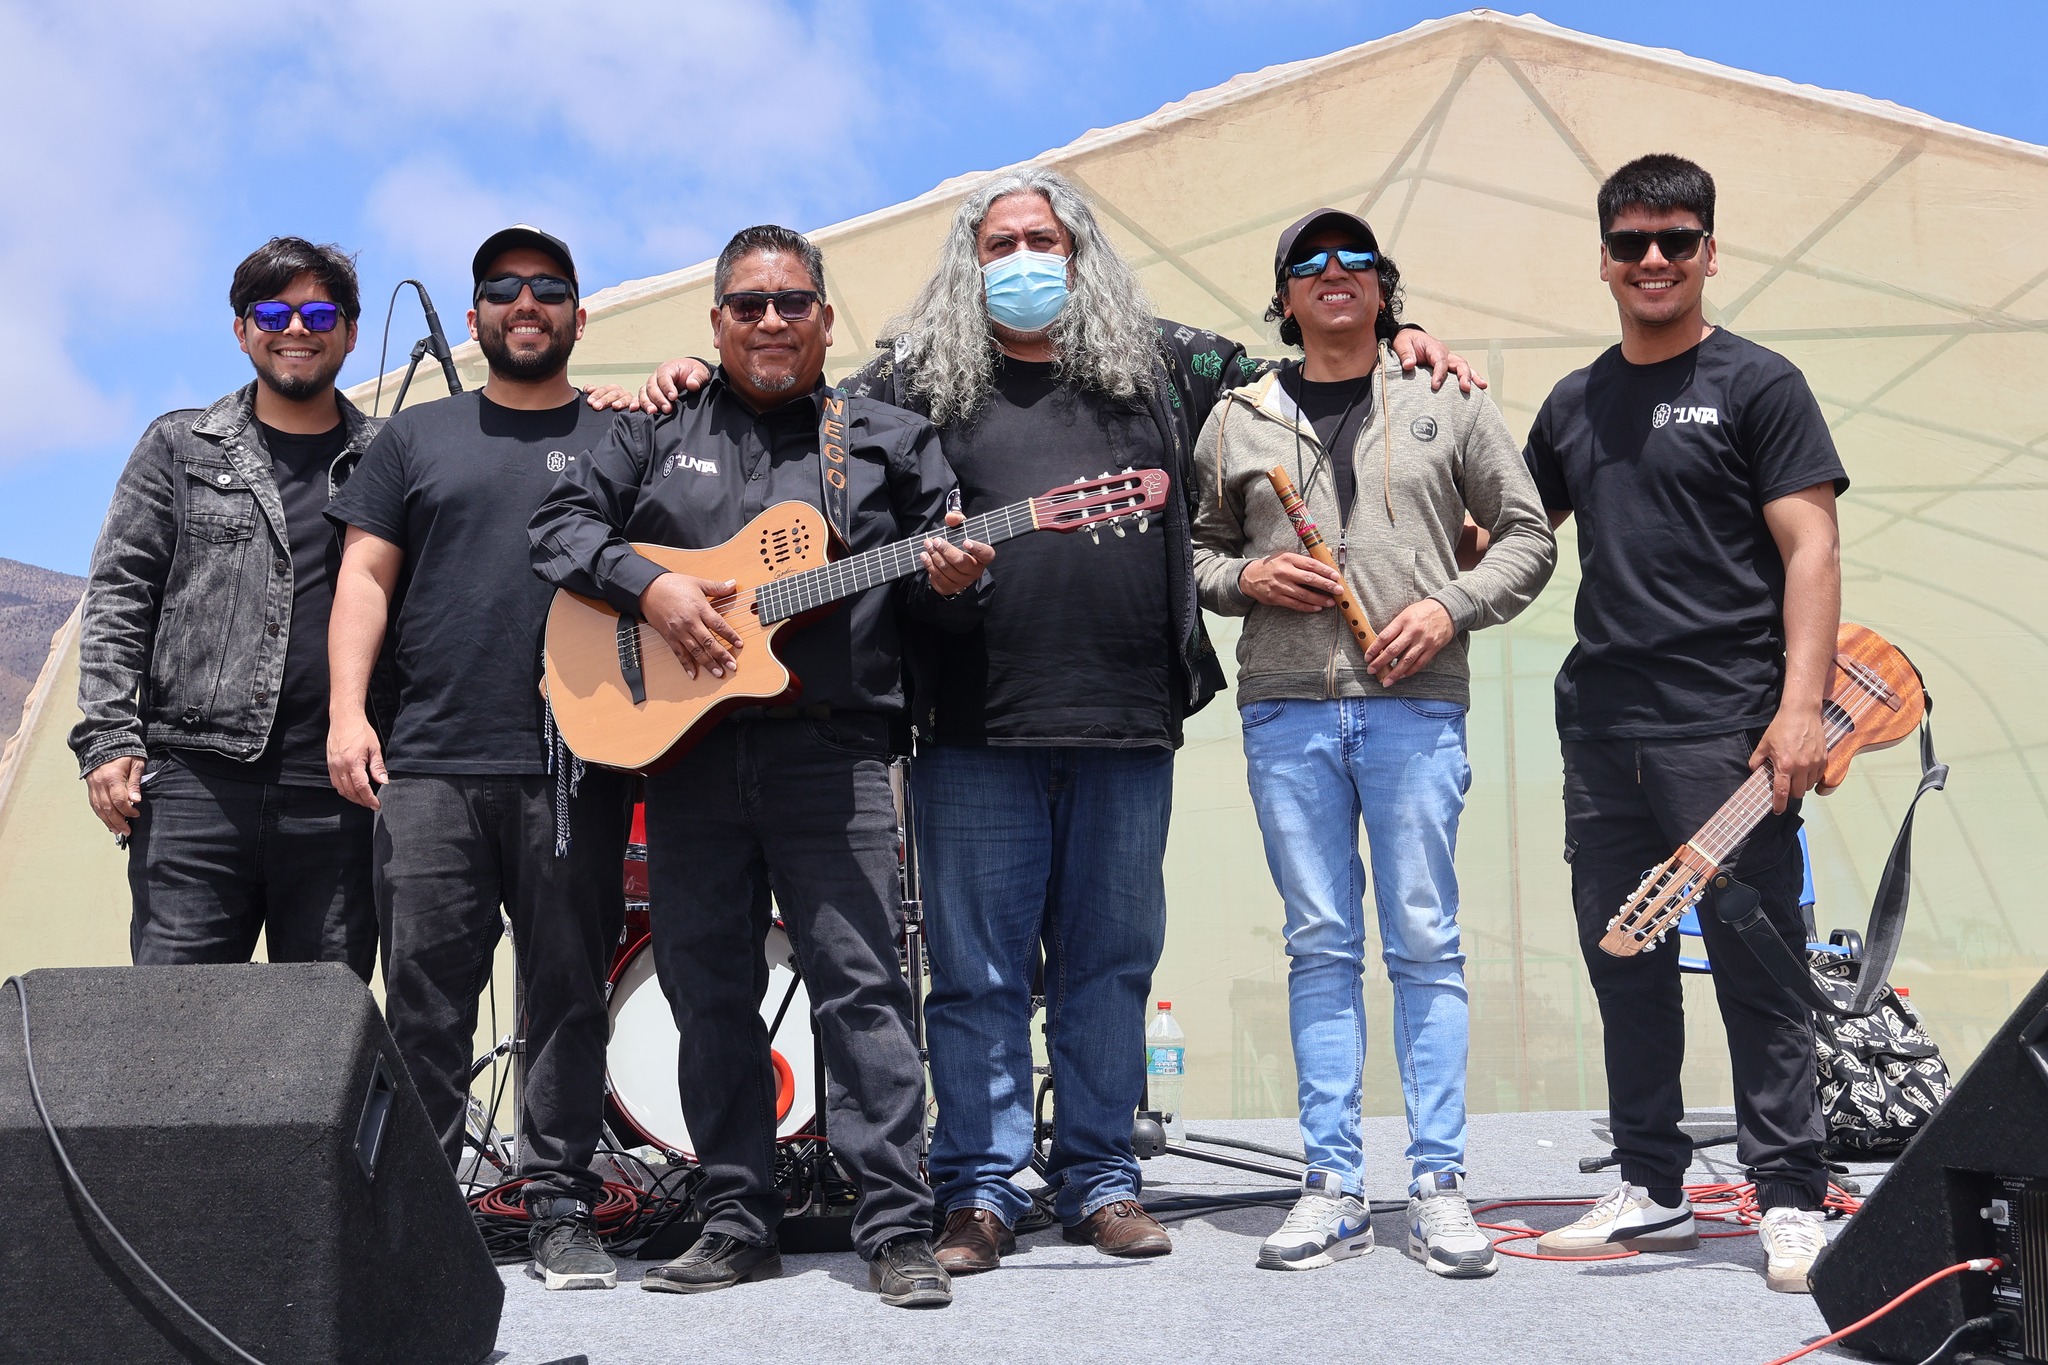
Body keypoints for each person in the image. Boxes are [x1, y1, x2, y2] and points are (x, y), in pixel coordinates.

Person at [622, 169, 1481, 1274]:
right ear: (967, 263)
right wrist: (684, 374)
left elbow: (1308, 366)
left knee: (1110, 963)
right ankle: (975, 1190)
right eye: (998, 244)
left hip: (1127, 717)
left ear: (1079, 255)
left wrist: (1407, 336)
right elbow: (791, 382)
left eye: (1043, 240)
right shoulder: (916, 379)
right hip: (972, 723)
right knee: (974, 974)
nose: (1022, 260)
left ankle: (1097, 1178)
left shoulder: (1169, 368)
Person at [529, 224, 990, 1308]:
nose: (771, 321)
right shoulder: (654, 427)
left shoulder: (888, 439)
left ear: (825, 317)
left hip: (832, 755)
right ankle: (737, 1218)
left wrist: (957, 580)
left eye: (791, 303)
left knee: (863, 990)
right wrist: (650, 587)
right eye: (748, 305)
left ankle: (892, 1223)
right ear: (716, 322)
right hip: (685, 757)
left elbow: (939, 591)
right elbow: (556, 527)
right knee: (708, 992)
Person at [1191, 210, 1554, 1278]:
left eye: (1355, 259)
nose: (1333, 273)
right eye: (1309, 262)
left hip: (1414, 707)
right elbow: (1195, 559)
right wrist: (1246, 577)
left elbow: (1528, 537)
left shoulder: (1447, 400)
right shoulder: (1233, 419)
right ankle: (1331, 1185)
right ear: (1285, 295)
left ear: (1386, 288)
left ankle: (1437, 1182)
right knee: (1317, 945)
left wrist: (1446, 610)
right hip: (1285, 708)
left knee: (1425, 941)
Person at [1521, 155, 1847, 1294]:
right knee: (1625, 957)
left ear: (1708, 251)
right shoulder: (1569, 404)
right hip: (1601, 724)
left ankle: (1791, 1199)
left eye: (1674, 239)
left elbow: (1810, 546)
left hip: (1730, 728)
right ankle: (1651, 1187)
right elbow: (1503, 535)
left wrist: (1800, 706)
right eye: (1629, 243)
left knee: (1760, 966)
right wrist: (1433, 382)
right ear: (1602, 257)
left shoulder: (1759, 384)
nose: (1651, 260)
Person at [326, 225, 631, 1293]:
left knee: (565, 995)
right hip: (431, 764)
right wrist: (348, 714)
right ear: (474, 319)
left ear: (577, 315)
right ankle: (417, 1223)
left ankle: (558, 1210)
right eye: (502, 288)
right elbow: (362, 579)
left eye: (548, 286)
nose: (525, 301)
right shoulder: (414, 440)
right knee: (422, 998)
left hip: (576, 763)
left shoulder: (620, 434)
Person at [72, 238, 380, 981]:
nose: (296, 328)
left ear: (351, 330)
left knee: (319, 1051)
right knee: (172, 1037)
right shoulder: (181, 446)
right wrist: (109, 733)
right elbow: (120, 592)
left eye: (318, 311)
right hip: (194, 792)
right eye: (272, 311)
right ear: (242, 330)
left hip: (339, 798)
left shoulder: (388, 460)